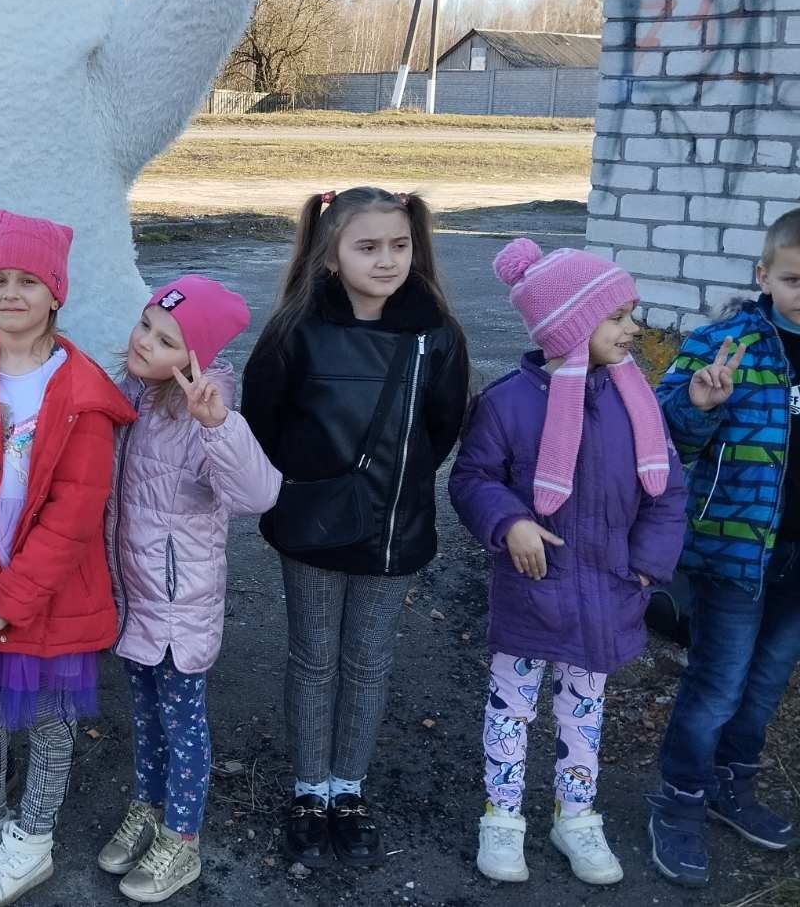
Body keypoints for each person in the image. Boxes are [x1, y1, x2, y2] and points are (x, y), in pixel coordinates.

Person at [0, 208, 137, 907]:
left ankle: (32, 837)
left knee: (48, 719)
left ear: (56, 293)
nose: (12, 293)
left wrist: (6, 603)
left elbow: (73, 518)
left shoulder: (81, 396)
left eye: (29, 281)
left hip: (46, 596)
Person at [240, 187, 468, 870]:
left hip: (394, 533)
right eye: (368, 246)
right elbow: (262, 421)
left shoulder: (438, 335)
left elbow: (442, 427)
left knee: (368, 661)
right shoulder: (295, 329)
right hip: (311, 529)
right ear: (331, 254)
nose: (388, 259)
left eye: (399, 245)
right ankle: (309, 788)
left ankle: (349, 787)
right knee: (313, 657)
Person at [451, 240, 686, 887]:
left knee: (583, 710)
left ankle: (574, 813)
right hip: (533, 590)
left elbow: (667, 490)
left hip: (608, 591)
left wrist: (645, 566)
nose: (633, 328)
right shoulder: (508, 402)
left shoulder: (637, 404)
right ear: (572, 324)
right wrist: (510, 521)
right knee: (512, 708)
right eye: (617, 316)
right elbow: (472, 478)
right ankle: (503, 814)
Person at [99, 275, 282, 903]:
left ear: (196, 359)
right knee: (144, 714)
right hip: (132, 594)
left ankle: (182, 840)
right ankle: (148, 807)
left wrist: (219, 425)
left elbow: (258, 496)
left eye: (167, 338)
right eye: (146, 323)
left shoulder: (205, 413)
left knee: (183, 723)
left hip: (179, 604)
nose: (145, 341)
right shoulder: (131, 391)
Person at [649, 207, 800, 886]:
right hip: (735, 553)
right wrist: (700, 404)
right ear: (763, 274)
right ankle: (678, 799)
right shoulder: (725, 343)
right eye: (796, 278)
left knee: (765, 683)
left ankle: (730, 785)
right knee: (717, 683)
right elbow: (661, 439)